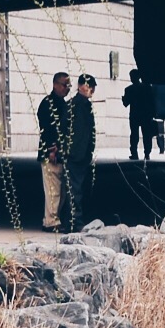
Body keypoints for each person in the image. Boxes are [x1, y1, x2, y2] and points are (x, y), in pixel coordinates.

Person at [37, 72, 74, 232]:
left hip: (59, 152)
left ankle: (54, 218)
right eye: (65, 85)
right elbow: (47, 129)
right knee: (53, 190)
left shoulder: (60, 104)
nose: (67, 88)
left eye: (69, 85)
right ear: (55, 85)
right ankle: (51, 221)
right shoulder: (48, 104)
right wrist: (51, 149)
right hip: (51, 152)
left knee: (60, 190)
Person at [69, 73, 100, 228]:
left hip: (82, 153)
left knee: (78, 188)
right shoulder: (75, 105)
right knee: (75, 189)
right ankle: (75, 221)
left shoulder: (83, 104)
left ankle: (75, 220)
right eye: (89, 86)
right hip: (76, 153)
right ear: (81, 86)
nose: (91, 90)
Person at [123, 68, 157, 160]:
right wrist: (153, 113)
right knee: (147, 135)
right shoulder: (147, 87)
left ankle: (134, 153)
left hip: (134, 115)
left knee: (134, 134)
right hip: (146, 114)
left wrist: (124, 99)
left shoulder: (129, 89)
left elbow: (126, 103)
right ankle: (147, 153)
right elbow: (152, 102)